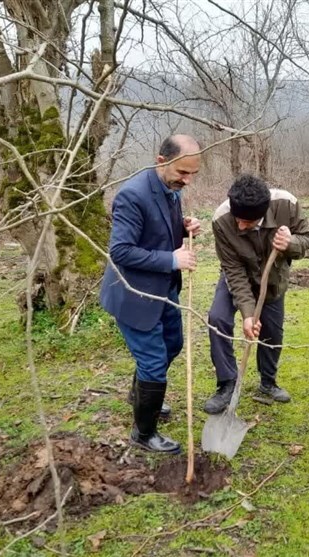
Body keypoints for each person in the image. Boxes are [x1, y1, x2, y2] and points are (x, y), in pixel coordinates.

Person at [99, 135, 202, 453]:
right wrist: (173, 259)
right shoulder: (133, 195)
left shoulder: (170, 188)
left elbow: (157, 228)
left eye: (191, 174)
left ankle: (141, 394)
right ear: (161, 162)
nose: (186, 180)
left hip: (164, 289)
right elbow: (121, 251)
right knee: (154, 361)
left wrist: (184, 227)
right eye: (182, 173)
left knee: (173, 344)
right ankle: (144, 434)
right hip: (135, 296)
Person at [203, 174, 309, 414]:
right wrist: (247, 313)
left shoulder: (287, 204)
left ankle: (268, 382)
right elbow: (232, 270)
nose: (241, 226)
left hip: (273, 278)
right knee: (218, 318)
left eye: (248, 222)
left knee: (272, 331)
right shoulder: (222, 219)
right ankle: (227, 383)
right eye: (238, 220)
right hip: (237, 275)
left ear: (263, 212)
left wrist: (290, 243)